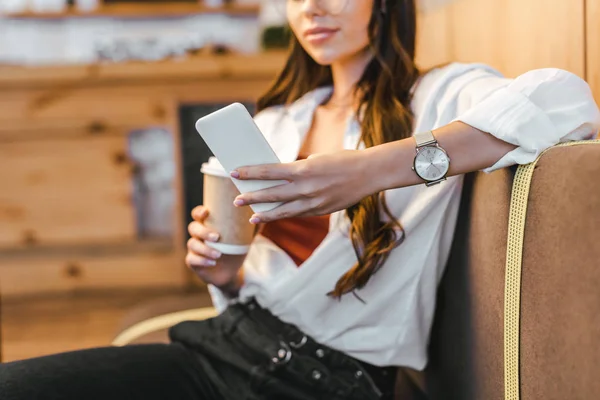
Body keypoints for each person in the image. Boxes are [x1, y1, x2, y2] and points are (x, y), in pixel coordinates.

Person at [1, 0, 599, 399]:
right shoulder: (281, 122)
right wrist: (227, 272)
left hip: (322, 383)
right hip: (222, 349)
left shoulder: (438, 94)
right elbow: (254, 280)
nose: (312, 6)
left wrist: (370, 169)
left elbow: (566, 101)